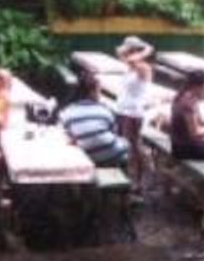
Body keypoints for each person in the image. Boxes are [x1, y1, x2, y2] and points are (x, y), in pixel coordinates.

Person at [60, 71, 130, 168]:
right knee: (128, 144)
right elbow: (114, 131)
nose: (99, 95)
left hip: (86, 155)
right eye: (99, 91)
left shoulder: (66, 112)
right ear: (92, 92)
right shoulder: (104, 110)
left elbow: (67, 136)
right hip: (112, 154)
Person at [115, 36, 154, 187]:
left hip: (134, 113)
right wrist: (143, 48)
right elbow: (119, 53)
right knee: (130, 146)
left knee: (133, 147)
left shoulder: (143, 67)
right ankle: (139, 173)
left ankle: (138, 178)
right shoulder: (130, 65)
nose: (124, 53)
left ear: (133, 51)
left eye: (128, 50)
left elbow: (131, 59)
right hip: (124, 110)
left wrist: (146, 49)